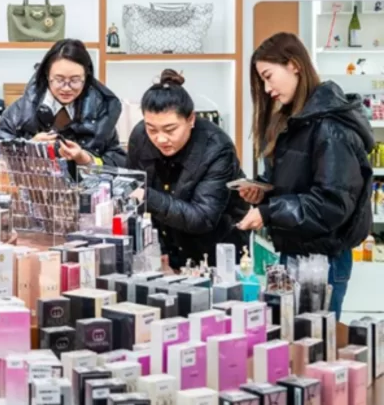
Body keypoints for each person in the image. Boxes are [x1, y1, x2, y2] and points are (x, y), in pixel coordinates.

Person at [237, 32, 373, 319]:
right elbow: (298, 185)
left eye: (268, 76)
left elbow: (331, 204)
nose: (267, 88)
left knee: (315, 351)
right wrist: (265, 190)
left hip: (324, 262)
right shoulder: (294, 122)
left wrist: (269, 211)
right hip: (296, 253)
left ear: (294, 65)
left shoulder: (330, 128)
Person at [126, 69, 248, 270]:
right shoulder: (140, 137)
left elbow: (203, 217)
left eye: (170, 129)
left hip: (216, 253)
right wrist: (158, 249)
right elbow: (134, 200)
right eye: (152, 129)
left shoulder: (217, 147)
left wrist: (149, 197)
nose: (160, 139)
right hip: (164, 249)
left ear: (191, 119)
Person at [0, 38, 126, 166]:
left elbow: (117, 159)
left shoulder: (101, 110)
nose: (66, 88)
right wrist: (28, 147)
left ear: (87, 77)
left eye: (75, 80)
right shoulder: (22, 108)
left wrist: (86, 159)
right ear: (47, 75)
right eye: (59, 80)